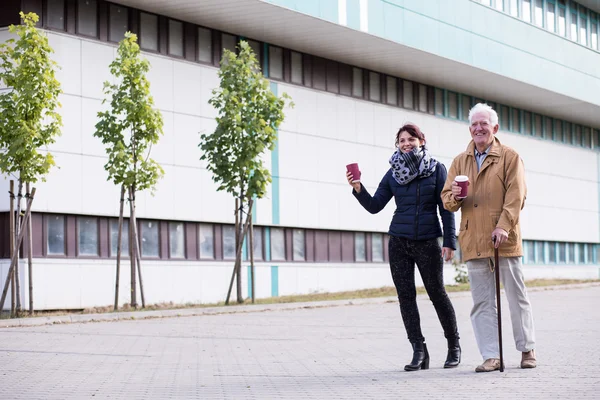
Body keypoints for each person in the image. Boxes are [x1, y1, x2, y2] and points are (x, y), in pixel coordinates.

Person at [346, 123, 460, 372]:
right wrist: (358, 188)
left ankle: (453, 346)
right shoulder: (393, 172)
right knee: (406, 297)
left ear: (422, 140)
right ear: (397, 144)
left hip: (428, 241)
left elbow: (447, 209)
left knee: (436, 293)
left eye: (411, 139)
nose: (406, 143)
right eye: (401, 140)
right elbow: (375, 205)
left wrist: (450, 242)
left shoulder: (436, 169)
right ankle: (419, 350)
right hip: (399, 241)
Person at [441, 103, 536, 372]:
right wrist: (455, 197)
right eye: (474, 124)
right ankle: (491, 356)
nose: (479, 128)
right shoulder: (460, 161)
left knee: (516, 296)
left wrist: (504, 226)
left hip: (503, 239)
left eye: (484, 124)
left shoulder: (509, 157)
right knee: (482, 301)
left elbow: (517, 196)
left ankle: (527, 348)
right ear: (470, 129)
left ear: (495, 128)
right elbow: (447, 200)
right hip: (474, 239)